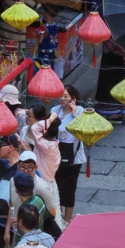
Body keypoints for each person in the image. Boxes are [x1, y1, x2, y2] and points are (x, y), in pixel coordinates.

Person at [50, 88, 87, 223]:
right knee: (56, 184)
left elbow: (83, 130)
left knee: (69, 187)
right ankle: (58, 216)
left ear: (73, 98)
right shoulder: (55, 109)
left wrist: (74, 113)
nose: (63, 99)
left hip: (73, 153)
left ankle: (67, 219)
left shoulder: (80, 111)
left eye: (66, 96)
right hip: (55, 151)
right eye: (61, 96)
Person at [24, 104, 61, 182]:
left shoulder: (44, 144)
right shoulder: (54, 144)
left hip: (40, 180)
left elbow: (35, 128)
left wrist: (50, 119)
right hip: (49, 180)